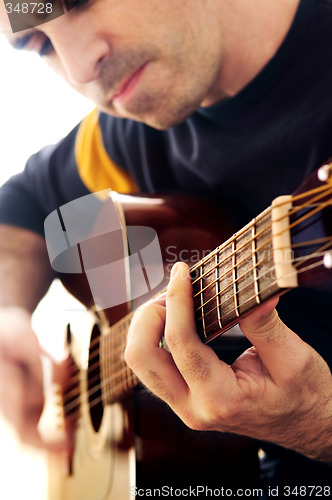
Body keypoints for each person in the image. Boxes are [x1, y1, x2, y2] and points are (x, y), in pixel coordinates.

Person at [0, 0, 331, 492]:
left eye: (81, 1)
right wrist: (7, 316)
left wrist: (318, 425)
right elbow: (21, 208)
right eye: (39, 43)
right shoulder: (124, 137)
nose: (79, 67)